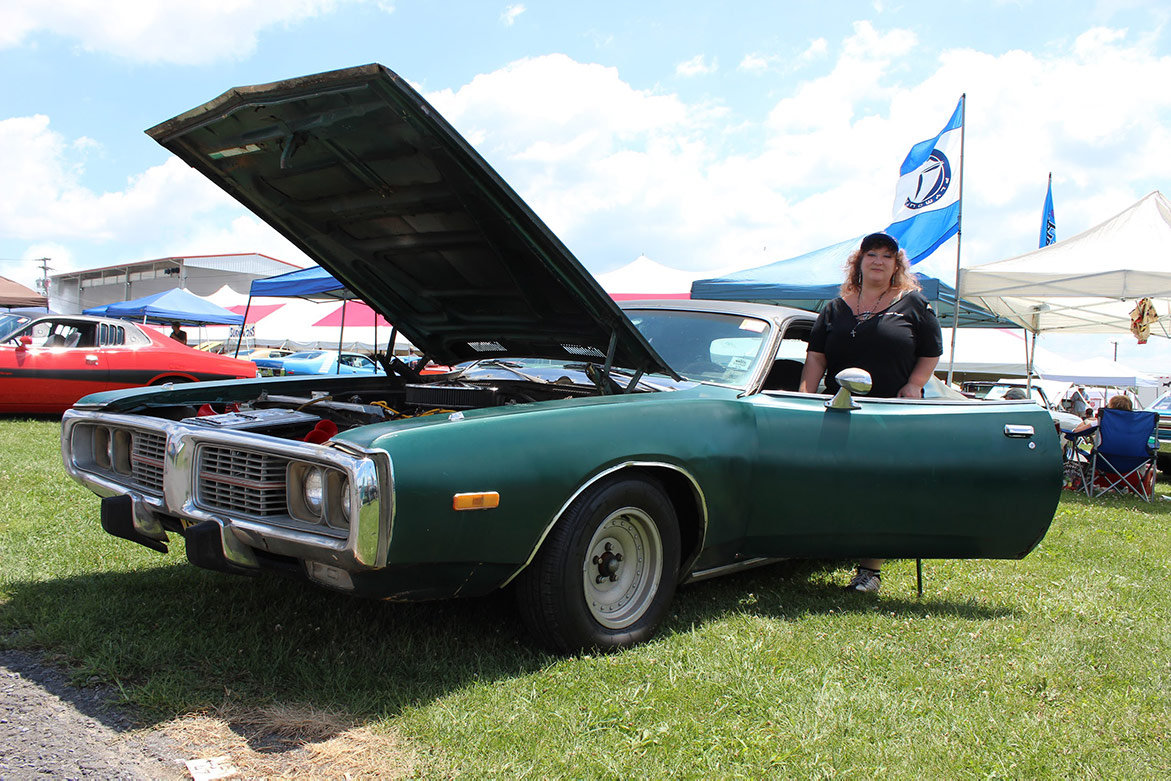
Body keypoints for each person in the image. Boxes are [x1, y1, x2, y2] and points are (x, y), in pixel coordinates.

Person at [798, 232, 943, 593]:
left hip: (890, 412)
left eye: (886, 256)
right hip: (838, 409)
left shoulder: (913, 304)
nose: (878, 260)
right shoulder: (834, 307)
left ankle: (869, 572)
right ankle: (810, 551)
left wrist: (915, 383)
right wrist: (805, 394)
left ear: (896, 265)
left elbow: (931, 350)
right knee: (835, 482)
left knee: (880, 488)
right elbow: (816, 356)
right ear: (859, 262)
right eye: (871, 254)